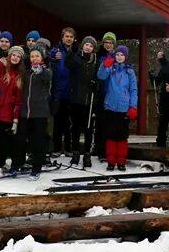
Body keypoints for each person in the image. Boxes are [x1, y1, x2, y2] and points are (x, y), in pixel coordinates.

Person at [13, 46, 52, 179]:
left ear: (42, 58)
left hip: (39, 114)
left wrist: (40, 71)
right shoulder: (26, 73)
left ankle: (36, 168)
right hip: (25, 113)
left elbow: (47, 78)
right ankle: (17, 164)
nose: (35, 58)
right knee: (20, 140)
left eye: (37, 56)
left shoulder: (46, 71)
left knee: (38, 142)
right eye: (32, 56)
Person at [97, 45, 138, 172]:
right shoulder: (111, 68)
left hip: (124, 108)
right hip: (110, 107)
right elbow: (101, 76)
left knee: (122, 136)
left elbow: (133, 89)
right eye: (118, 55)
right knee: (110, 135)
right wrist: (105, 65)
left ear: (125, 57)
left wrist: (133, 106)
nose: (119, 57)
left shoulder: (129, 71)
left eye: (122, 55)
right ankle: (110, 161)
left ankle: (121, 161)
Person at [0, 45, 24, 177]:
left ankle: (0, 163)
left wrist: (15, 120)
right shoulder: (2, 69)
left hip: (7, 116)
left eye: (18, 56)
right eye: (13, 55)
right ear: (9, 56)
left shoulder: (19, 76)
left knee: (3, 143)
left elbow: (18, 101)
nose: (15, 58)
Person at [67, 36, 99, 167]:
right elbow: (69, 64)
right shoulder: (77, 57)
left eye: (91, 46)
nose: (88, 47)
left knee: (88, 128)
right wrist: (72, 52)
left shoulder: (95, 61)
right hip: (76, 98)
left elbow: (99, 77)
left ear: (93, 49)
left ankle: (86, 154)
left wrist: (95, 84)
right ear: (83, 46)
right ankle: (75, 152)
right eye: (86, 45)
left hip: (89, 100)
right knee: (75, 127)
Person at [49, 27, 77, 156]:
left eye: (71, 37)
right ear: (62, 37)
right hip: (59, 92)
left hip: (71, 92)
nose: (69, 39)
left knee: (69, 122)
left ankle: (68, 148)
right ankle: (56, 148)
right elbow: (48, 60)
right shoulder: (56, 50)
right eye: (67, 36)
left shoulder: (76, 51)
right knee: (58, 122)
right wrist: (53, 58)